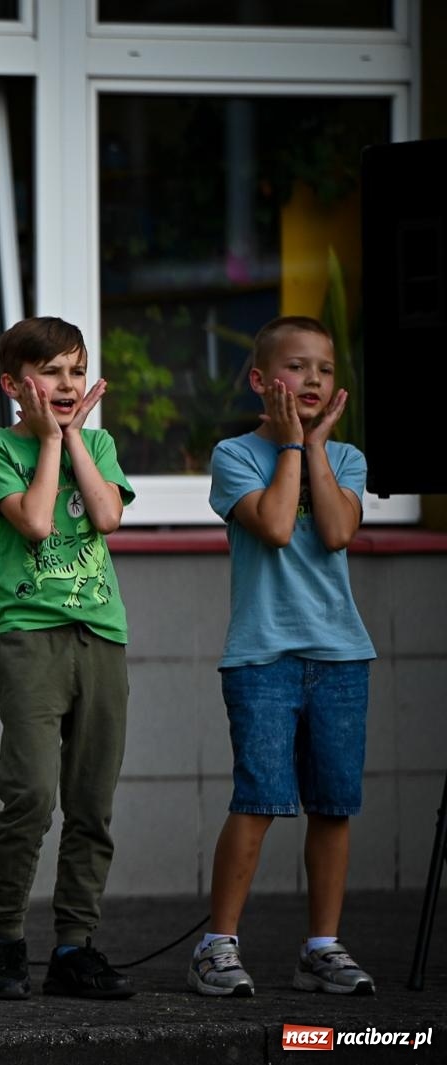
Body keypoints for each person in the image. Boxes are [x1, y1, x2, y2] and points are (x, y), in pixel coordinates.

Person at [189, 316, 376, 998]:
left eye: (325, 369)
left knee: (334, 803)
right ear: (262, 381)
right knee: (260, 798)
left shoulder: (348, 458)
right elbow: (272, 525)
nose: (315, 380)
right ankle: (217, 945)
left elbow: (333, 530)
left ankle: (321, 948)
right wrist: (293, 446)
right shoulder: (233, 455)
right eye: (299, 368)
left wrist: (316, 447)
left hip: (340, 654)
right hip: (262, 656)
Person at [0, 316, 137, 1001]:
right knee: (32, 795)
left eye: (76, 370)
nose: (67, 384)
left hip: (101, 638)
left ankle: (75, 944)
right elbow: (37, 522)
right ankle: (5, 936)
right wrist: (44, 442)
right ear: (15, 385)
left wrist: (72, 439)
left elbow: (106, 515)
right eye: (51, 373)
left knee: (91, 800)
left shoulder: (96, 441)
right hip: (32, 638)